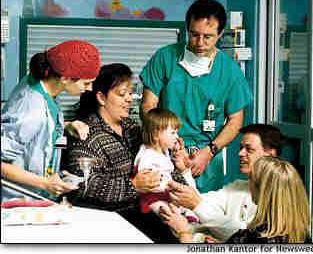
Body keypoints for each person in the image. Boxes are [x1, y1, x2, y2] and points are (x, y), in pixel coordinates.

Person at [63, 64, 187, 243]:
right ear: (101, 98)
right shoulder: (86, 134)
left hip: (148, 209)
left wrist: (182, 185)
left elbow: (163, 166)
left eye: (130, 93)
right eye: (122, 94)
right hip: (111, 218)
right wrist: (132, 186)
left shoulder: (133, 129)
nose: (129, 99)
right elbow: (82, 185)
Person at [140, 0, 252, 193]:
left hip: (206, 155)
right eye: (194, 34)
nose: (199, 42)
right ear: (187, 29)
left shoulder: (229, 71)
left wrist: (209, 153)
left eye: (207, 36)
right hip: (164, 150)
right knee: (162, 208)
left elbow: (235, 121)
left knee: (204, 214)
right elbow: (148, 106)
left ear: (220, 34)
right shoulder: (165, 58)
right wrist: (166, 141)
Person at [1, 40, 101, 201]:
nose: (90, 88)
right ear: (65, 78)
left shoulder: (44, 84)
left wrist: (66, 126)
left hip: (34, 197)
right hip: (15, 202)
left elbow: (32, 133)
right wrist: (45, 183)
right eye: (86, 82)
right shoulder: (32, 108)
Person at [162, 124, 286, 242]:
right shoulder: (237, 186)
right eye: (241, 148)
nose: (240, 153)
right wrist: (185, 172)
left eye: (249, 149)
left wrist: (188, 226)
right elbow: (198, 202)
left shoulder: (279, 198)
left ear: (270, 155)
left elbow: (247, 239)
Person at [161, 156, 311, 243]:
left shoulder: (255, 237)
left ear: (263, 190)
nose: (241, 154)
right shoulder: (302, 235)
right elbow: (201, 200)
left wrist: (183, 232)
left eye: (253, 180)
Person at [134, 108, 197, 222]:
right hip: (152, 199)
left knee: (188, 202)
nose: (177, 136)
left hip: (166, 195)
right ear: (156, 134)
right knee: (166, 210)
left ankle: (189, 217)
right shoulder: (147, 155)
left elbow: (169, 169)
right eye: (173, 132)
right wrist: (167, 186)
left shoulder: (164, 152)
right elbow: (146, 181)